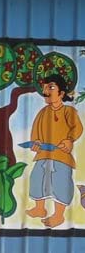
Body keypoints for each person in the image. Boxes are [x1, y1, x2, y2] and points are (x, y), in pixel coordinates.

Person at [26, 74, 83, 228]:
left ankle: (59, 215)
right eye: (44, 87)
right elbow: (35, 131)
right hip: (43, 154)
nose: (46, 91)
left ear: (61, 93)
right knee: (37, 178)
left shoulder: (68, 111)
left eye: (50, 87)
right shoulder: (43, 112)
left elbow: (77, 128)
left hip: (61, 155)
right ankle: (40, 208)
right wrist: (36, 142)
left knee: (61, 182)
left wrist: (69, 140)